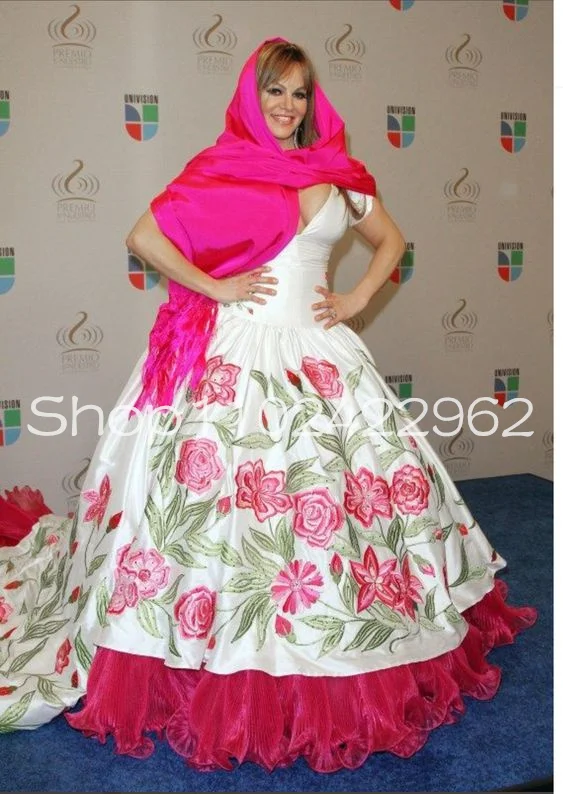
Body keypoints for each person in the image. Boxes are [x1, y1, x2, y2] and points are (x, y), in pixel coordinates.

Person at [0, 37, 536, 773]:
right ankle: (200, 642)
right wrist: (216, 286)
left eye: (298, 94)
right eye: (274, 92)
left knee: (347, 500)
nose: (286, 107)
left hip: (319, 354)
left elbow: (391, 241)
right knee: (215, 505)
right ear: (251, 98)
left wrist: (351, 298)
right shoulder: (222, 168)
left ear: (313, 103)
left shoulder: (342, 175)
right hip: (234, 352)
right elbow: (143, 235)